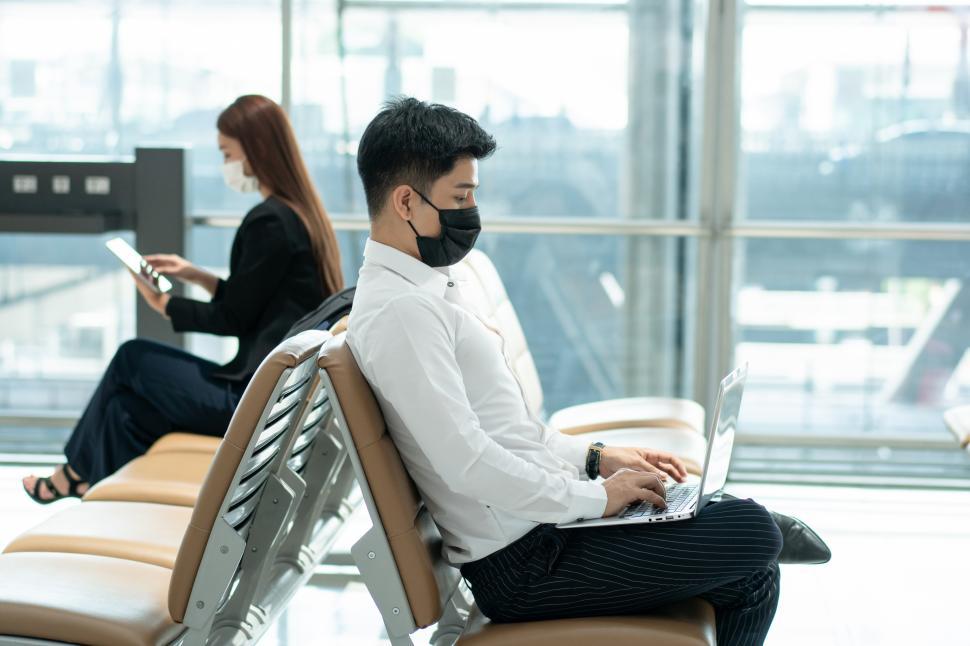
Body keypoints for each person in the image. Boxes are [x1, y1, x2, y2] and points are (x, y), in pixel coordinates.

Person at [347, 98, 828, 646]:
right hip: (525, 566)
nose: (472, 212)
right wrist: (600, 499)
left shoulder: (428, 288)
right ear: (406, 201)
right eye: (461, 197)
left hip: (541, 529)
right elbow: (467, 463)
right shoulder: (401, 313)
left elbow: (512, 431)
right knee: (753, 530)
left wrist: (597, 461)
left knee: (753, 570)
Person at [22, 94, 343, 504]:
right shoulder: (301, 217)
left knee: (132, 357)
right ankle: (97, 494)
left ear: (255, 148)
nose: (225, 165)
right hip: (267, 401)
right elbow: (256, 302)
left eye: (227, 153)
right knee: (124, 409)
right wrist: (198, 276)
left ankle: (72, 476)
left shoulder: (269, 220)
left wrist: (166, 306)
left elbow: (233, 318)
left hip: (246, 400)